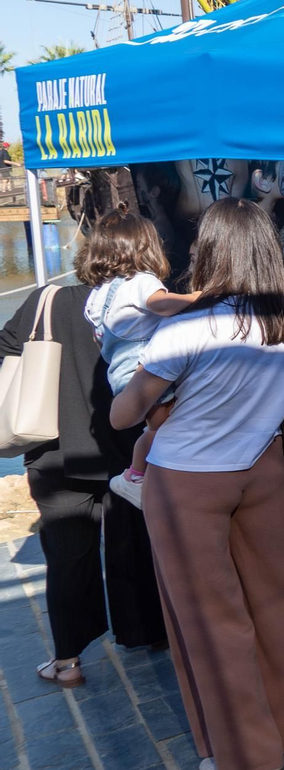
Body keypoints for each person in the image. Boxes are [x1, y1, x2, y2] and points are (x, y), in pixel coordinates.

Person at [109, 198, 284, 770]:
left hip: (187, 480)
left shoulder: (187, 327)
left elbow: (122, 415)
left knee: (213, 620)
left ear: (207, 251)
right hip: (262, 463)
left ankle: (247, 757)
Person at [3, 280, 166, 690]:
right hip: (126, 447)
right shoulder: (142, 303)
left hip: (55, 448)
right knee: (136, 542)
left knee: (67, 557)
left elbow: (5, 346)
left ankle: (67, 661)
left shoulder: (45, 299)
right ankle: (147, 632)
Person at [79, 208, 201, 508]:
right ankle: (135, 477)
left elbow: (101, 336)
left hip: (119, 373)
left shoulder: (98, 293)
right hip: (144, 366)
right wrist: (196, 298)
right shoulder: (143, 281)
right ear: (145, 247)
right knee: (166, 426)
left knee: (156, 427)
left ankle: (139, 474)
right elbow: (160, 305)